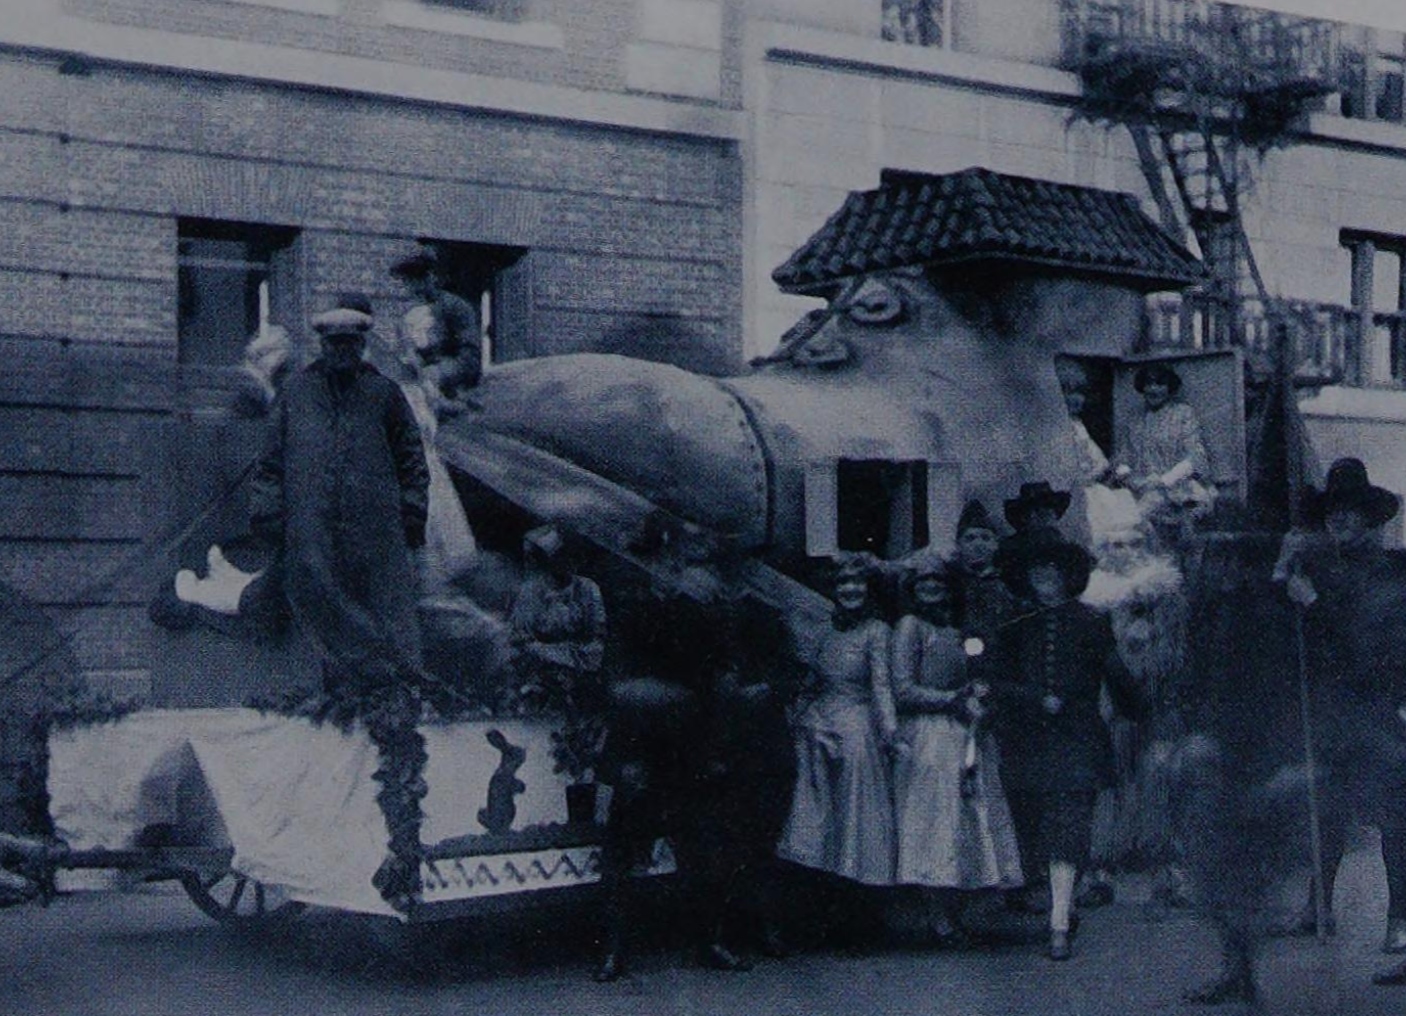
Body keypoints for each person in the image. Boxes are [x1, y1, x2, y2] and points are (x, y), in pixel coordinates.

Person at [249, 298, 429, 694]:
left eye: (351, 343)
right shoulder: (295, 394)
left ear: (362, 345)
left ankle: (399, 698)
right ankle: (331, 705)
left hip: (377, 535)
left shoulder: (385, 394)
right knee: (319, 610)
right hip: (311, 532)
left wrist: (412, 517)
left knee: (387, 611)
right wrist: (268, 517)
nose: (343, 351)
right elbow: (269, 463)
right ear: (322, 345)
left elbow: (412, 459)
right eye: (335, 344)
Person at [1271, 457, 1406, 959]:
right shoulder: (1315, 568)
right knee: (1321, 811)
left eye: (1351, 512)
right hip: (1325, 709)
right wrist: (1281, 570)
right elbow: (1273, 631)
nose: (1340, 520)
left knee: (1394, 815)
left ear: (1371, 519)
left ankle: (1400, 920)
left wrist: (1311, 603)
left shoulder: (1391, 572)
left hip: (1376, 709)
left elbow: (1367, 643)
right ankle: (1317, 907)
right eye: (1332, 513)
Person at [990, 527, 1137, 961]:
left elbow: (1116, 675)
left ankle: (1057, 923)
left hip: (1078, 738)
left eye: (1053, 567)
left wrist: (1141, 707)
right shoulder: (1015, 626)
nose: (1046, 575)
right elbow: (994, 681)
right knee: (1036, 827)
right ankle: (1062, 904)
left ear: (1068, 573)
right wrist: (1034, 698)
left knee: (1069, 824)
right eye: (1038, 568)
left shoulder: (1092, 622)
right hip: (1028, 742)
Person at [890, 551, 1022, 943]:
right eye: (924, 583)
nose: (932, 588)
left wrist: (979, 696)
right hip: (929, 735)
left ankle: (957, 910)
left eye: (939, 582)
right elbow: (902, 689)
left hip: (965, 733)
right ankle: (937, 916)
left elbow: (974, 673)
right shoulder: (910, 627)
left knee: (969, 819)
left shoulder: (957, 630)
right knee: (935, 823)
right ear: (914, 589)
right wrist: (950, 700)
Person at [777, 552, 899, 887]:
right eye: (844, 583)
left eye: (857, 582)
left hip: (857, 721)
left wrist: (889, 732)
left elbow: (882, 684)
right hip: (817, 721)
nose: (850, 589)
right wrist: (797, 710)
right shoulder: (824, 629)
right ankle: (818, 884)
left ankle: (855, 885)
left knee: (855, 804)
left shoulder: (877, 631)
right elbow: (812, 678)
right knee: (812, 810)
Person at [1114, 362, 1214, 530]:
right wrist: (1130, 479)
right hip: (1140, 488)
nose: (1153, 390)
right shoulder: (1134, 419)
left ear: (1169, 387)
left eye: (1160, 384)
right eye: (1148, 384)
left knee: (1139, 520)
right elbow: (1123, 457)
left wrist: (1164, 481)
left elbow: (1195, 456)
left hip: (1178, 488)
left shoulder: (1183, 413)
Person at [390, 248, 483, 414]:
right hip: (412, 388)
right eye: (408, 280)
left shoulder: (455, 308)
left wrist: (440, 372)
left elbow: (471, 358)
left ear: (432, 277)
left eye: (420, 277)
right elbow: (402, 354)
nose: (414, 285)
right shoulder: (404, 316)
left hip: (451, 390)